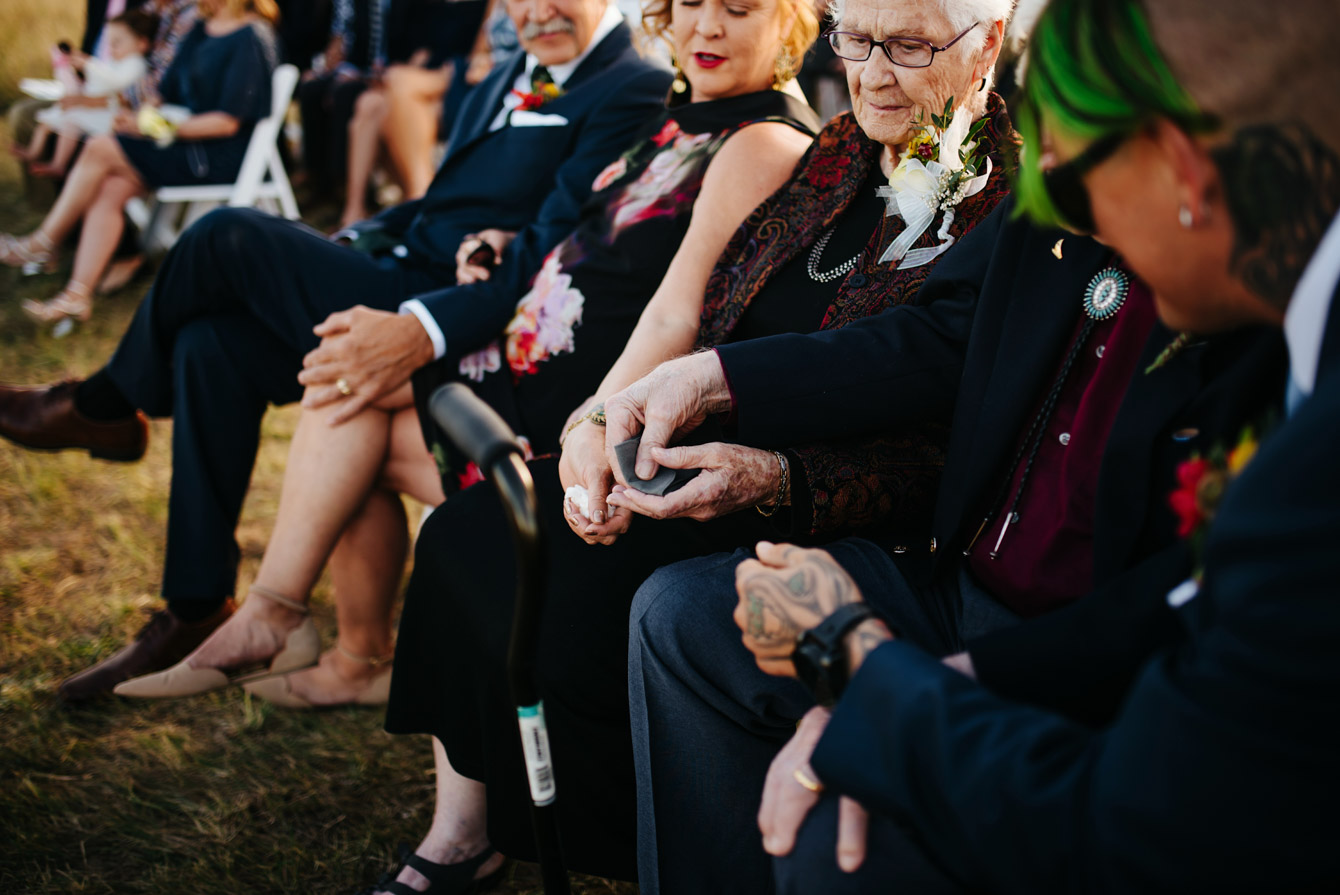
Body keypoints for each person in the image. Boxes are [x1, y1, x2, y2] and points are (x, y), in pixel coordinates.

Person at [624, 0, 1340, 890]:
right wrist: (716, 377)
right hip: (957, 580)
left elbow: (1162, 764)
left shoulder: (1282, 366)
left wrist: (872, 677)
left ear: (1181, 170)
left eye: (1074, 172)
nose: (1051, 194)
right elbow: (934, 338)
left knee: (841, 850)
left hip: (1095, 636)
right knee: (683, 614)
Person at [380, 0, 1014, 888]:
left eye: (907, 46)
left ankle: (614, 841)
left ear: (987, 40)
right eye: (857, 40)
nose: (871, 74)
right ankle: (487, 828)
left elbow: (940, 436)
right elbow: (692, 312)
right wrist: (600, 428)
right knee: (470, 532)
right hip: (690, 457)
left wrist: (767, 474)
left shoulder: (1008, 203)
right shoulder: (834, 155)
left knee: (564, 591)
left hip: (813, 507)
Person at [113, 0, 821, 710]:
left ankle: (295, 626)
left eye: (739, 7)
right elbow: (593, 237)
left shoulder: (757, 140)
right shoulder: (678, 113)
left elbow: (674, 312)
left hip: (571, 399)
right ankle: (314, 635)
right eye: (692, 4)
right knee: (345, 384)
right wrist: (508, 246)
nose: (708, 26)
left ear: (792, 21)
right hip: (527, 356)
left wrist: (593, 420)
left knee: (336, 376)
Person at [0, 0, 670, 702]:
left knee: (225, 235)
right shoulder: (510, 72)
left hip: (453, 310)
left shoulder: (634, 87)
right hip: (398, 266)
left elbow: (548, 251)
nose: (537, 10)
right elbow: (435, 206)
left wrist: (421, 327)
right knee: (210, 345)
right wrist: (343, 245)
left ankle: (103, 404)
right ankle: (195, 607)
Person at [0, 0, 279, 333]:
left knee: (100, 148)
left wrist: (152, 125)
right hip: (180, 142)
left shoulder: (252, 37)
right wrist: (137, 116)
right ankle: (77, 294)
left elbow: (227, 122)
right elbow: (165, 91)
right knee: (110, 186)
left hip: (217, 156)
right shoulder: (202, 30)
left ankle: (43, 242)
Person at [19, 10, 158, 179]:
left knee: (70, 118)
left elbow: (116, 82)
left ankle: (57, 164)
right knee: (59, 116)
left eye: (117, 43)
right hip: (103, 109)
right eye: (110, 43)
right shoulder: (118, 62)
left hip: (115, 115)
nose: (111, 48)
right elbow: (100, 82)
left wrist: (90, 63)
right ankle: (36, 154)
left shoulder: (136, 64)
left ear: (141, 43)